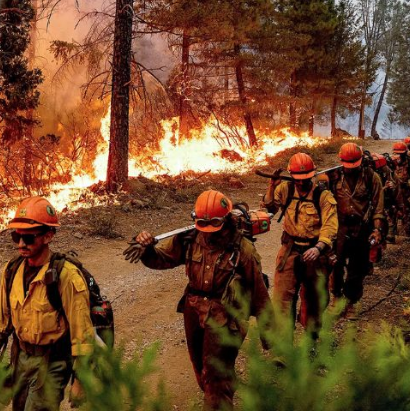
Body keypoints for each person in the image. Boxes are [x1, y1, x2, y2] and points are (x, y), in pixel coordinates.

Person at [124, 190, 270, 411]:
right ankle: (222, 387)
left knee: (215, 376)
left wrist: (273, 338)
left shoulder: (243, 249)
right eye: (202, 224)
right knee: (201, 369)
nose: (208, 232)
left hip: (226, 316)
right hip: (193, 310)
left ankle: (220, 393)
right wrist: (146, 248)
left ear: (226, 220)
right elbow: (163, 259)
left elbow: (259, 294)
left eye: (214, 224)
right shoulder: (189, 239)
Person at [0, 196, 94, 411]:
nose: (21, 244)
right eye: (16, 236)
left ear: (48, 236)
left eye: (28, 238)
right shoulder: (11, 270)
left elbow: (83, 333)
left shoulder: (67, 276)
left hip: (52, 362)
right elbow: (3, 322)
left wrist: (80, 381)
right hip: (21, 358)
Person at [261, 152, 338, 335]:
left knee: (314, 300)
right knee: (282, 298)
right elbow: (270, 208)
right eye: (298, 179)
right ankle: (284, 343)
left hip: (314, 251)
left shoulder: (323, 196)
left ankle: (311, 339)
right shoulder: (285, 189)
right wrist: (272, 186)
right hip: (290, 250)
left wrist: (319, 248)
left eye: (305, 179)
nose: (301, 183)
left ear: (312, 175)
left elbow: (330, 226)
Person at [329, 143, 385, 319]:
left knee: (357, 267)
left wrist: (377, 230)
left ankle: (352, 301)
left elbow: (378, 207)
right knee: (335, 264)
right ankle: (336, 296)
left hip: (361, 227)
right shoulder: (333, 177)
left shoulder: (371, 177)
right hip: (339, 228)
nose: (351, 168)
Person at [392, 142, 410, 236]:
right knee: (392, 210)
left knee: (407, 211)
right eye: (396, 153)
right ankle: (392, 233)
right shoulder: (391, 161)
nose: (398, 155)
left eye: (400, 153)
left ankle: (408, 232)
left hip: (405, 191)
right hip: (393, 190)